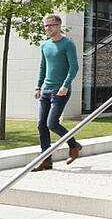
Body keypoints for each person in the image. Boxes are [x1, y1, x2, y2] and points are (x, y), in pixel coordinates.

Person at [32, 14, 81, 172]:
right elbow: (42, 67)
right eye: (45, 25)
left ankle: (73, 146)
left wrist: (65, 85)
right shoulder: (45, 45)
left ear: (59, 25)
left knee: (52, 123)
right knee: (41, 125)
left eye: (50, 25)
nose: (47, 28)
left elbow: (74, 67)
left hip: (60, 91)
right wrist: (38, 87)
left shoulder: (68, 43)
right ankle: (46, 160)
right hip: (46, 90)